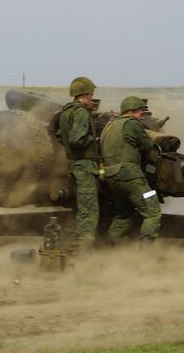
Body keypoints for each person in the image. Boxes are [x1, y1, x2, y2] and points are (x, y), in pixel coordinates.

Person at [100, 96, 162, 242]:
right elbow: (148, 145)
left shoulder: (108, 127)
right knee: (153, 210)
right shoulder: (131, 123)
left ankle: (109, 247)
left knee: (123, 214)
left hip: (112, 179)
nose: (142, 116)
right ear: (131, 111)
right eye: (141, 112)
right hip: (132, 178)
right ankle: (145, 249)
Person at [55, 76, 102, 247]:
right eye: (91, 94)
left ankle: (76, 242)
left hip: (74, 165)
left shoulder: (65, 113)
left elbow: (59, 137)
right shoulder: (81, 112)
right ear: (84, 94)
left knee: (82, 208)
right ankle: (83, 248)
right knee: (89, 211)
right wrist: (93, 139)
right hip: (85, 165)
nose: (92, 97)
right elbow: (77, 139)